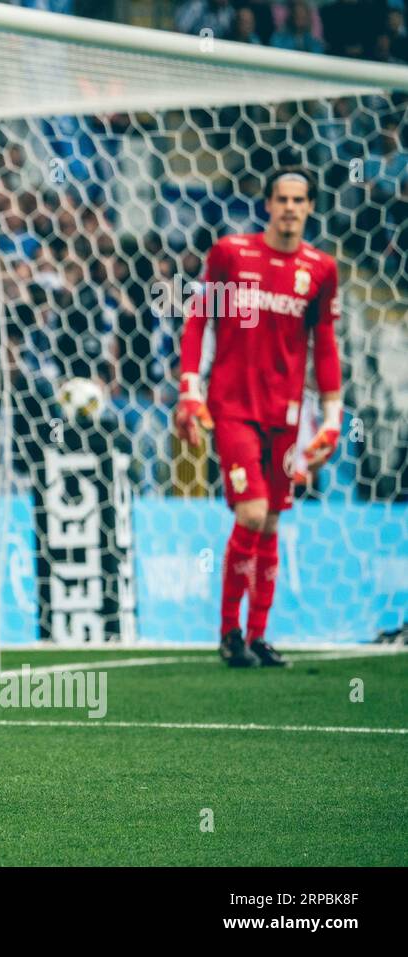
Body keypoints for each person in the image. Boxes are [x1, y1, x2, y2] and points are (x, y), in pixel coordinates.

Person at [175, 166, 342, 668]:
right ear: (267, 204)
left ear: (310, 207)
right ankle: (228, 632)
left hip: (286, 413)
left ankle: (258, 635)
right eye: (282, 198)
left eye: (300, 200)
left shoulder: (321, 269)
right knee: (250, 512)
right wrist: (190, 387)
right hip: (232, 407)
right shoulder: (231, 253)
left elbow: (325, 345)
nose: (290, 207)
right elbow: (198, 318)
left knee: (270, 522)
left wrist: (332, 417)